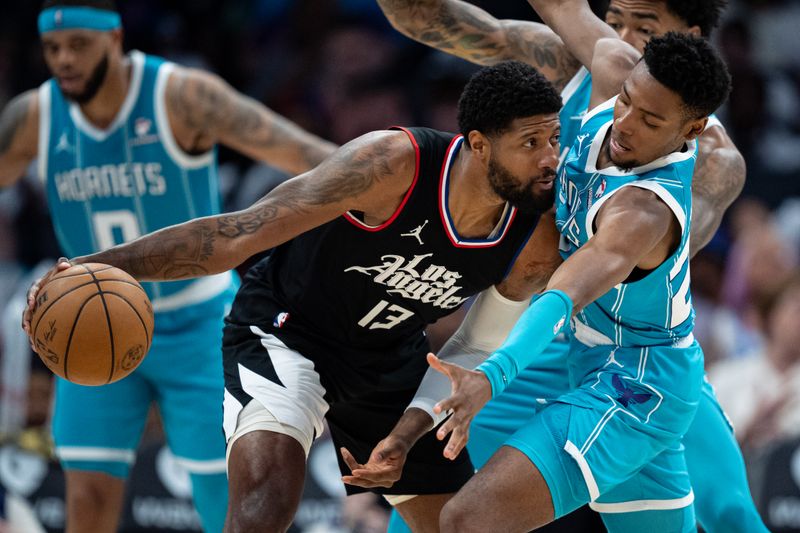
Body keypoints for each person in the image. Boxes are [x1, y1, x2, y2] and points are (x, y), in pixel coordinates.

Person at [24, 60, 567, 532]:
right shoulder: (392, 165)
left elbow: (473, 349)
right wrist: (94, 267)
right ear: (477, 144)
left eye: (554, 139)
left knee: (463, 524)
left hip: (389, 355)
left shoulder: (535, 237)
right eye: (530, 143)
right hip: (287, 331)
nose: (550, 159)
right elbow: (236, 234)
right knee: (264, 502)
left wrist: (406, 433)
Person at [377, 1, 765, 531]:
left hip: (633, 371)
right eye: (625, 103)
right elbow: (560, 6)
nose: (625, 122)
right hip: (580, 344)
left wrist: (489, 374)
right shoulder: (610, 66)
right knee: (430, 508)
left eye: (645, 28)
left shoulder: (654, 203)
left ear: (691, 127)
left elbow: (569, 288)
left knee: (728, 514)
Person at [2, 1, 337, 531]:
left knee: (222, 495)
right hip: (85, 323)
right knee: (86, 495)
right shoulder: (35, 116)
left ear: (114, 38)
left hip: (199, 322)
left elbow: (305, 154)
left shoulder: (182, 96)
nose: (64, 59)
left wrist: (391, 181)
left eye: (78, 45)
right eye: (52, 48)